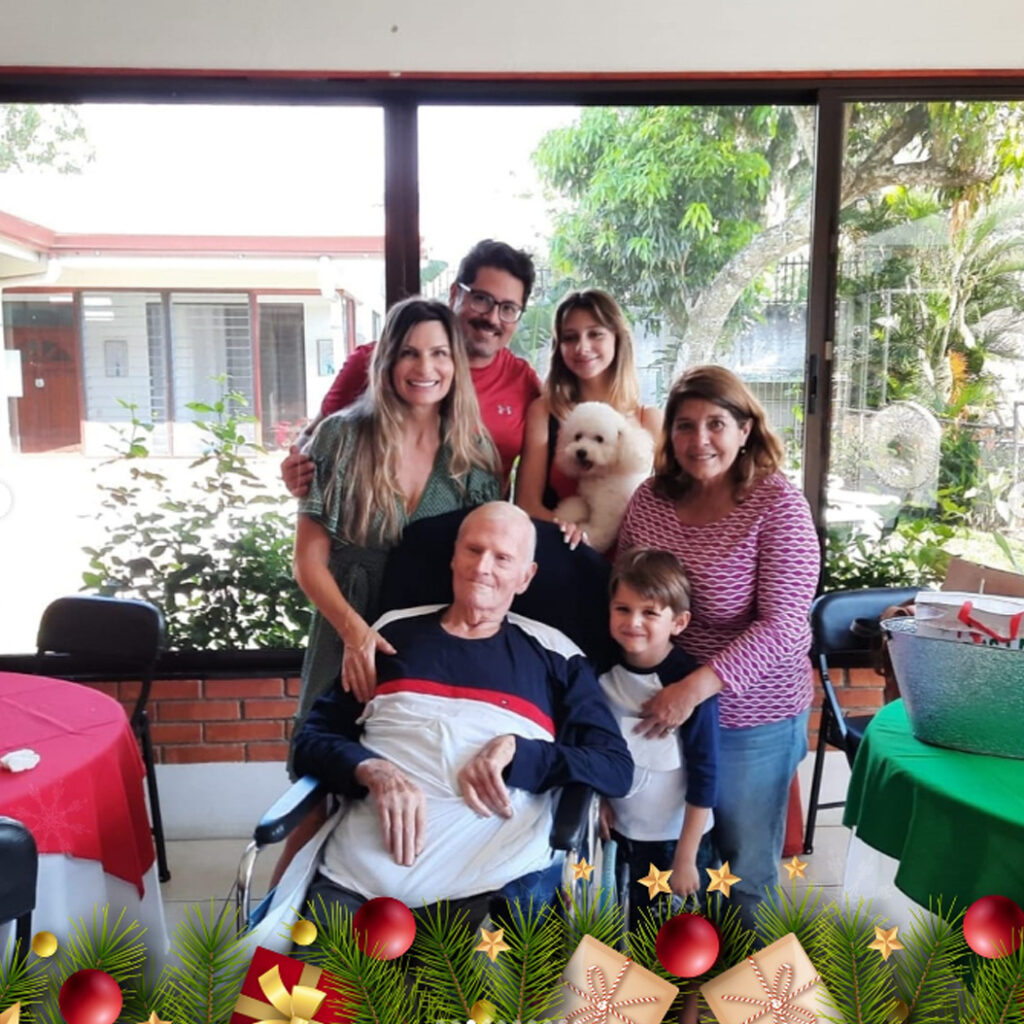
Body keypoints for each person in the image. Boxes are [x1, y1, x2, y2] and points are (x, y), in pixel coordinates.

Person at [292, 502, 633, 924]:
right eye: (474, 550)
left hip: (489, 889)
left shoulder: (557, 655)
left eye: (503, 558)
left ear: (525, 577)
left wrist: (519, 753)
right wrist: (371, 770)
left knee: (472, 989)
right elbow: (312, 740)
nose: (483, 567)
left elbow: (615, 767)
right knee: (285, 990)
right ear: (453, 557)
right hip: (354, 883)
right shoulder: (390, 633)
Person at [617, 365, 819, 930]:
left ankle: (739, 999)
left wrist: (694, 688)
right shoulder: (651, 499)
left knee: (741, 867)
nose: (698, 440)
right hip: (661, 706)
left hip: (749, 714)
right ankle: (675, 990)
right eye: (684, 426)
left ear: (746, 429)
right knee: (673, 861)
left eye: (715, 424)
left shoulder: (778, 505)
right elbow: (625, 586)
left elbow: (785, 628)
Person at [292, 296, 501, 731]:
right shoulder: (341, 437)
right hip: (346, 621)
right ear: (387, 361)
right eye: (409, 353)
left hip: (430, 634)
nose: (425, 368)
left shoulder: (474, 454)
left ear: (455, 363)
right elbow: (307, 562)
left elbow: (487, 566)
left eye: (439, 353)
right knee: (326, 761)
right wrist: (355, 635)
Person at [282, 239, 540, 496]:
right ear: (455, 294)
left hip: (484, 531)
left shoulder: (524, 382)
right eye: (482, 299)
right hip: (380, 529)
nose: (493, 318)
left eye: (508, 308)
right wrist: (297, 469)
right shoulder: (375, 362)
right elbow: (313, 436)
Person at [597, 548, 718, 932]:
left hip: (679, 841)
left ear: (678, 622)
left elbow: (706, 773)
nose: (634, 622)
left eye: (650, 612)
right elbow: (594, 747)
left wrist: (686, 856)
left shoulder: (689, 686)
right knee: (635, 930)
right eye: (623, 609)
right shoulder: (598, 673)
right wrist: (598, 800)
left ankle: (692, 995)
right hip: (623, 835)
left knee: (686, 941)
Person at [514, 289, 661, 545]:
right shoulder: (545, 412)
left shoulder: (649, 419)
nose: (582, 347)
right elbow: (527, 504)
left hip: (632, 564)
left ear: (617, 338)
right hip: (561, 552)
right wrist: (572, 537)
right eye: (570, 338)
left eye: (595, 334)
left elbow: (670, 508)